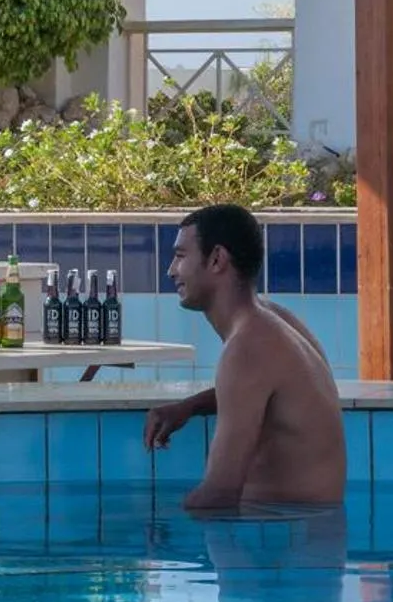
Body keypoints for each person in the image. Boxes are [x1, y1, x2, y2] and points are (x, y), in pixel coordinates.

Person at [145, 203, 346, 512]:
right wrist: (190, 407)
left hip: (288, 537)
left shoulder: (248, 348)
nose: (171, 270)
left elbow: (219, 496)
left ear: (216, 260)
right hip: (309, 534)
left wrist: (151, 536)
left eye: (181, 256)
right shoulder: (274, 320)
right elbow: (268, 393)